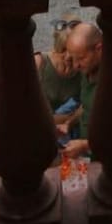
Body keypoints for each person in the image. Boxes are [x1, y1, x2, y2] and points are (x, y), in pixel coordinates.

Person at [34, 16, 82, 146]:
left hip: (60, 121)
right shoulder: (39, 63)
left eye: (72, 51)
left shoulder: (82, 67)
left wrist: (69, 121)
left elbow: (87, 104)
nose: (67, 57)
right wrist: (66, 119)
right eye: (62, 50)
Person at [62, 22, 103, 160]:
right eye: (73, 58)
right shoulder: (88, 69)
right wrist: (68, 123)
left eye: (80, 58)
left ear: (99, 48)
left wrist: (84, 145)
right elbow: (86, 106)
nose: (76, 65)